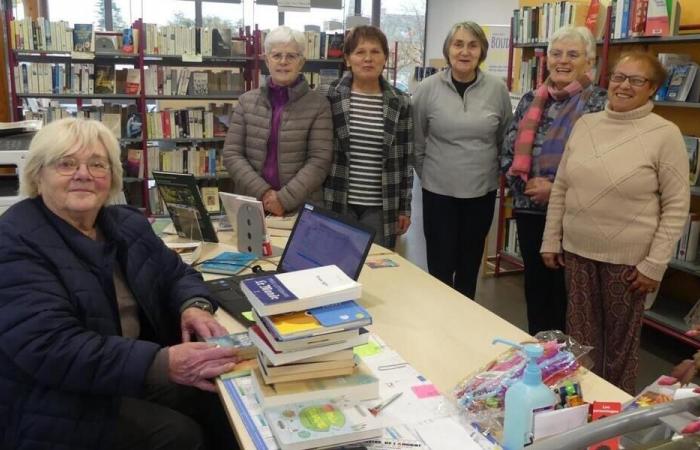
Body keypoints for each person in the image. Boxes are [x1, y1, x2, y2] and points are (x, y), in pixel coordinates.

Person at [0, 118, 240, 450]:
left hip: (122, 373)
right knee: (178, 436)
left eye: (97, 164)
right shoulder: (14, 240)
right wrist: (161, 363)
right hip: (50, 397)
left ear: (111, 177)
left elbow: (176, 274)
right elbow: (51, 346)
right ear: (38, 176)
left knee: (220, 398)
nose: (83, 174)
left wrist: (193, 306)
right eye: (66, 164)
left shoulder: (125, 223)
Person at [541, 51, 690, 394]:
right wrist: (552, 239)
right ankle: (580, 404)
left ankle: (613, 416)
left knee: (619, 349)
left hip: (629, 262)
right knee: (580, 342)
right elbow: (562, 186)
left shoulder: (665, 134)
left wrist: (655, 264)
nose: (624, 85)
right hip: (577, 251)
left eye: (636, 80)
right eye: (619, 77)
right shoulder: (586, 124)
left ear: (652, 88)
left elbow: (677, 205)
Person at [501, 26, 607, 334]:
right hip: (530, 208)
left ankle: (567, 363)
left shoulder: (600, 104)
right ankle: (539, 352)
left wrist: (556, 190)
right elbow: (507, 152)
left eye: (572, 55)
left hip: (576, 213)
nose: (562, 61)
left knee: (569, 293)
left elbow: (601, 166)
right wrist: (528, 187)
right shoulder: (531, 99)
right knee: (536, 287)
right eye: (556, 53)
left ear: (589, 60)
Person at [413, 21, 512, 299]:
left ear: (482, 51)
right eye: (458, 44)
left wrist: (490, 174)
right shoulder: (427, 89)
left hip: (480, 192)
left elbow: (504, 137)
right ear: (448, 49)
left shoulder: (497, 89)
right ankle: (440, 325)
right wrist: (430, 175)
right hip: (438, 193)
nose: (465, 51)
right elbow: (417, 142)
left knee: (469, 268)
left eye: (472, 45)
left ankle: (465, 324)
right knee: (440, 268)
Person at [223, 26, 333, 216]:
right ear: (266, 60)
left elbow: (319, 161)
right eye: (276, 55)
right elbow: (232, 154)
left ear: (301, 62)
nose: (283, 62)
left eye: (291, 56)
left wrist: (283, 199)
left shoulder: (319, 105)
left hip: (301, 209)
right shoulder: (246, 101)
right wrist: (265, 194)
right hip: (252, 205)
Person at [324, 26, 413, 249]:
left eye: (375, 52)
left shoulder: (400, 101)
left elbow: (406, 159)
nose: (367, 59)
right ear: (347, 59)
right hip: (337, 200)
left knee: (377, 271)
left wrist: (405, 207)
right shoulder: (329, 96)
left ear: (385, 58)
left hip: (382, 206)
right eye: (360, 52)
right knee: (335, 266)